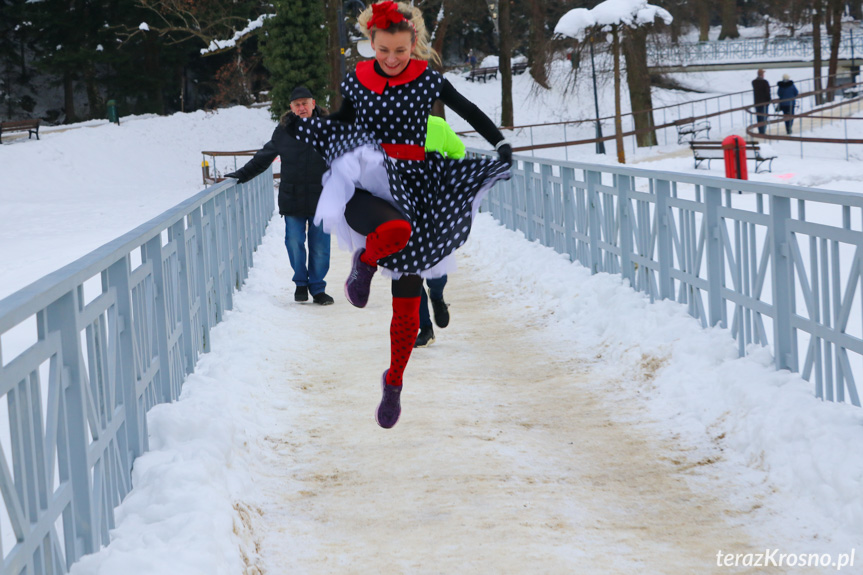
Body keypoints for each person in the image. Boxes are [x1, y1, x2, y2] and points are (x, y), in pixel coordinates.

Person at [286, 0, 511, 428]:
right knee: (396, 228)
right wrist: (304, 124)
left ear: (414, 46)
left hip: (416, 185)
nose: (391, 59)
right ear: (370, 42)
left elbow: (468, 110)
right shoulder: (356, 80)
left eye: (401, 51)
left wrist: (499, 143)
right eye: (383, 49)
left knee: (408, 294)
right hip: (369, 182)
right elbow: (340, 124)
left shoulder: (428, 79)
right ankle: (365, 263)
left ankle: (394, 382)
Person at [225, 86, 334, 306]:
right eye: (297, 104)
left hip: (323, 198)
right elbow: (264, 157)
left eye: (305, 103)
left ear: (314, 104)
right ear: (292, 108)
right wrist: (240, 175)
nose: (302, 108)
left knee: (320, 246)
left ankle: (318, 288)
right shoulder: (284, 131)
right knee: (294, 241)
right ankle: (301, 283)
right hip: (292, 198)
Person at [414, 115, 466, 348]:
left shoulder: (436, 126)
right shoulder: (387, 126)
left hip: (435, 209)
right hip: (403, 208)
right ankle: (425, 328)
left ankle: (436, 295)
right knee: (410, 275)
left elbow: (458, 152)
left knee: (437, 270)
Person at [752, 69, 770, 135]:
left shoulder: (754, 82)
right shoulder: (765, 82)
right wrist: (769, 100)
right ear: (762, 75)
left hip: (757, 102)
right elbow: (767, 92)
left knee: (759, 117)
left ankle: (760, 130)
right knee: (764, 117)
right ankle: (763, 131)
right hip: (764, 102)